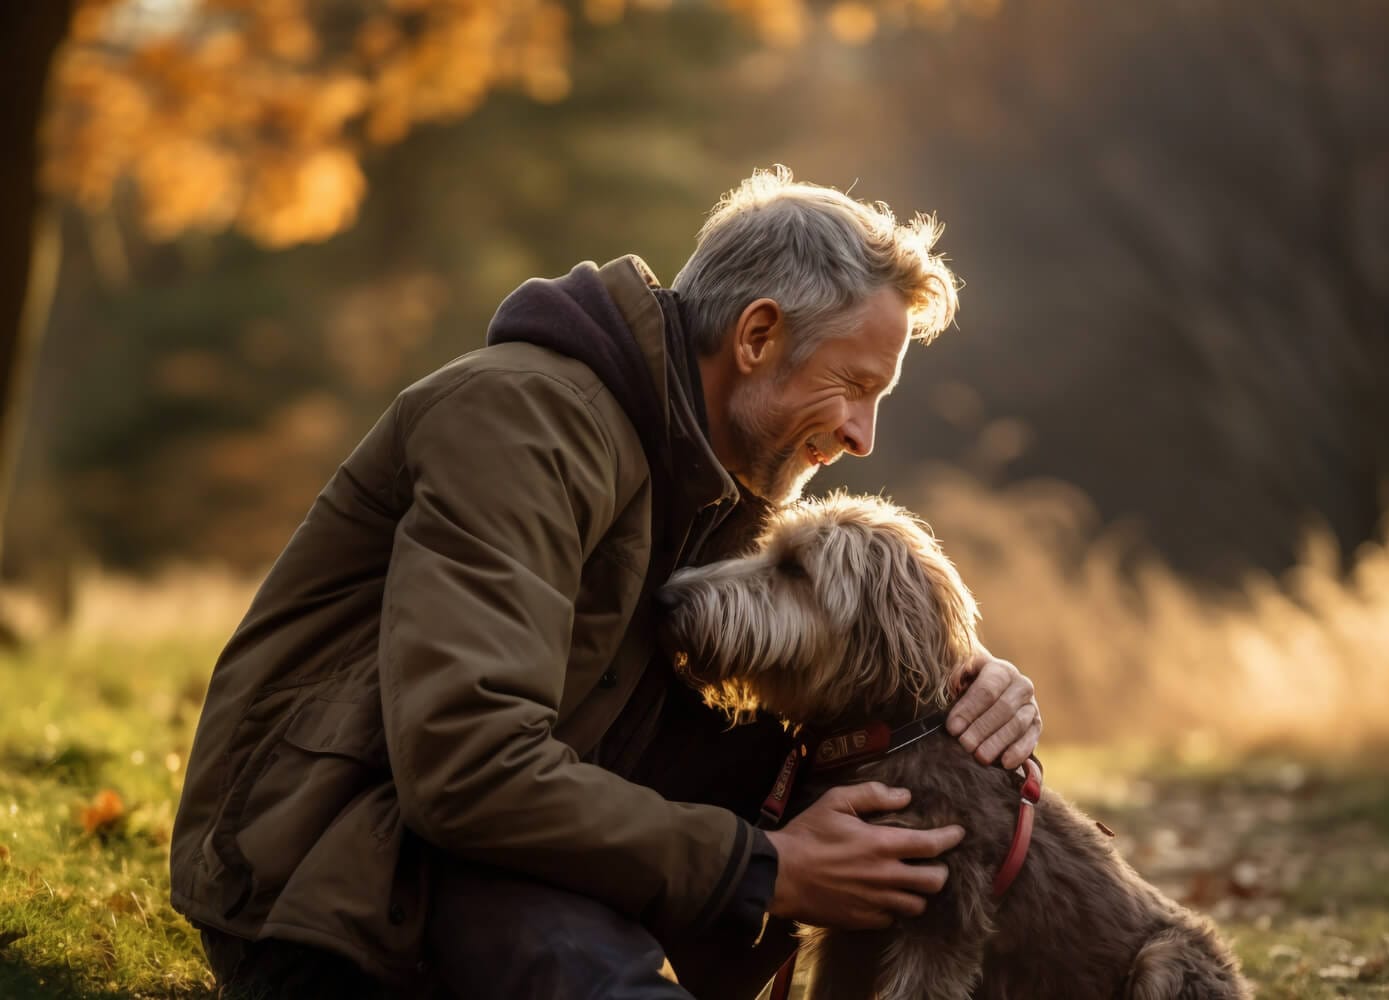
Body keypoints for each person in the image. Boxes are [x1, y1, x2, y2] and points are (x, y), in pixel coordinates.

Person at [170, 167, 1043, 999]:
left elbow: (811, 672)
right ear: (757, 336)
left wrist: (960, 683)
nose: (864, 437)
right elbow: (466, 766)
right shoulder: (523, 422)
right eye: (853, 386)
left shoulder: (718, 479)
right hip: (343, 851)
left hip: (510, 827)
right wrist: (764, 871)